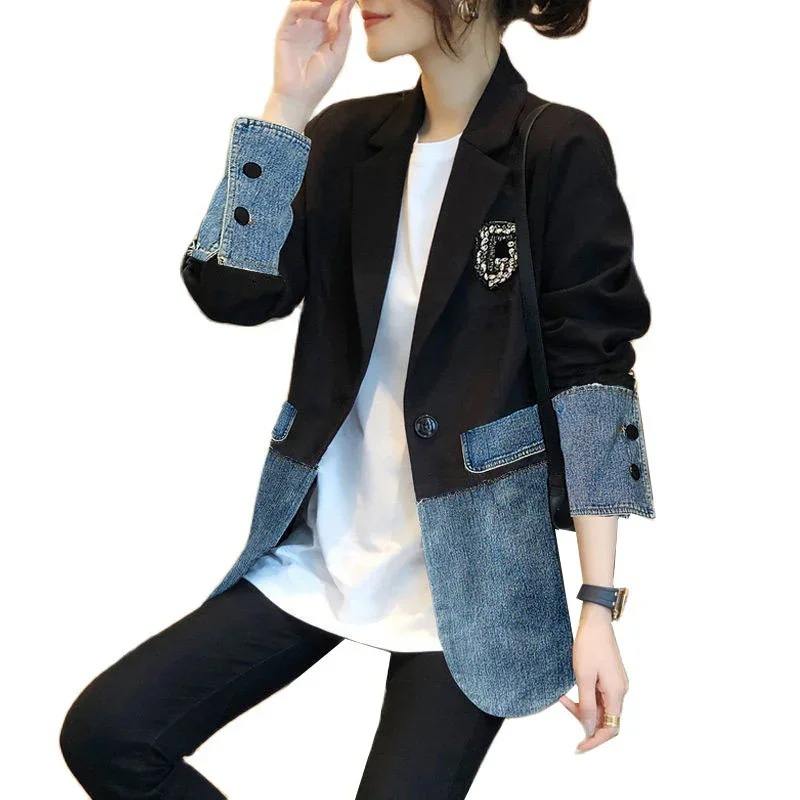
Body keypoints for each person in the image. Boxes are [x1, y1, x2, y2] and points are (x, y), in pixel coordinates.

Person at [60, 1, 655, 797]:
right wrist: (287, 107)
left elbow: (594, 377)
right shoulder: (347, 139)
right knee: (110, 734)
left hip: (474, 578)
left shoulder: (553, 146)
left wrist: (597, 604)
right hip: (324, 548)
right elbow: (232, 292)